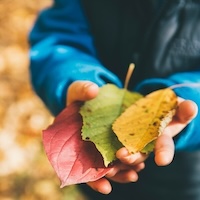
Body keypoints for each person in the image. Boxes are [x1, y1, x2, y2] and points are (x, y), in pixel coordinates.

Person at [29, 0, 200, 199]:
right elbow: (58, 38)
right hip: (99, 165)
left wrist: (186, 103)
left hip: (185, 179)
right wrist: (73, 77)